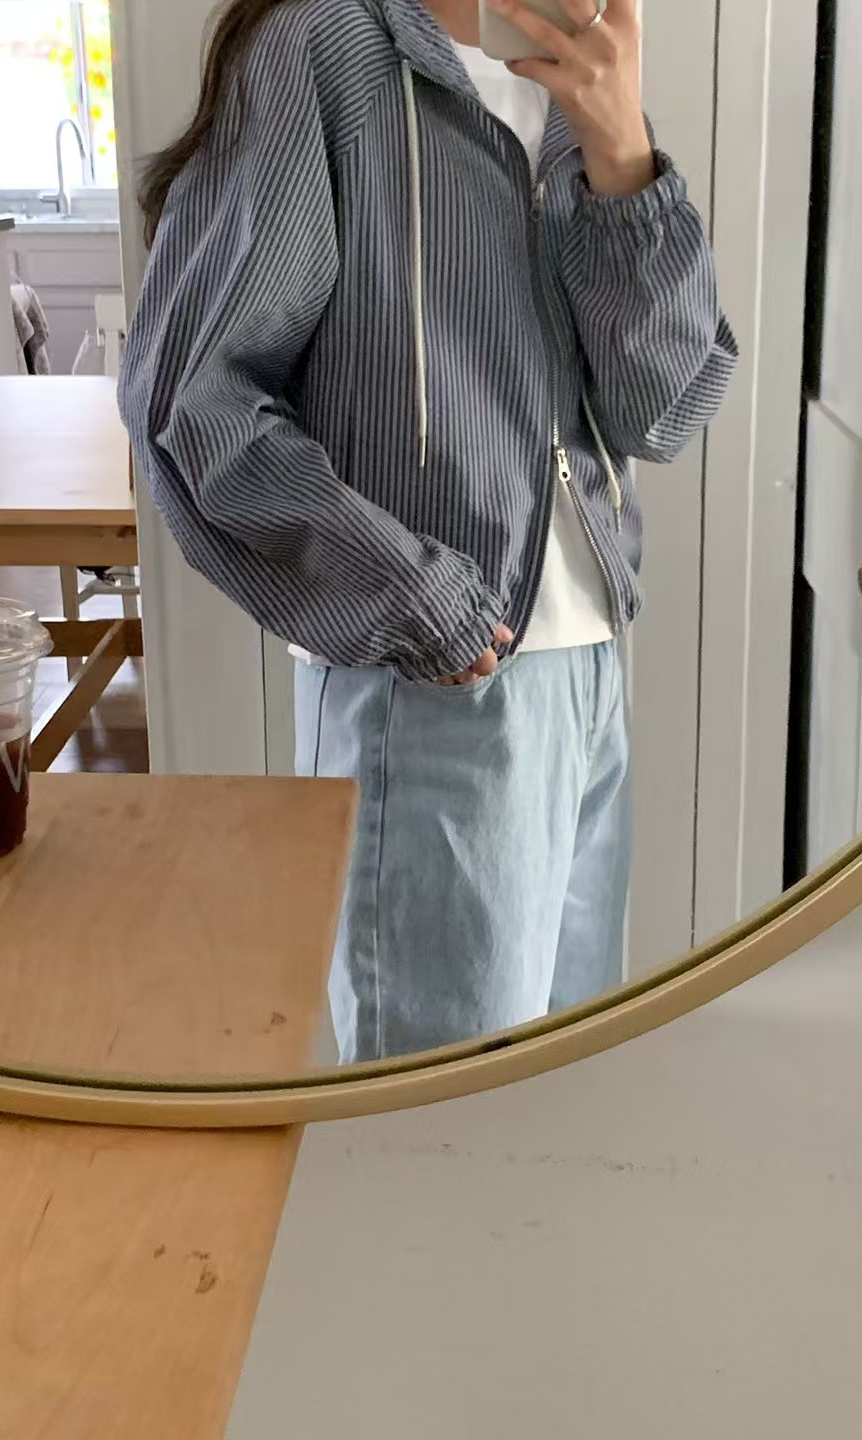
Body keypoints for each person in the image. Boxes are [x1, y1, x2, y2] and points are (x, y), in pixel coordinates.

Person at [120, 0, 737, 1063]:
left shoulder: (583, 81)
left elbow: (666, 407)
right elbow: (192, 401)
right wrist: (412, 596)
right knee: (447, 1128)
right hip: (432, 689)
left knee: (557, 1107)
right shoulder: (328, 52)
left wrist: (623, 154)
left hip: (588, 678)